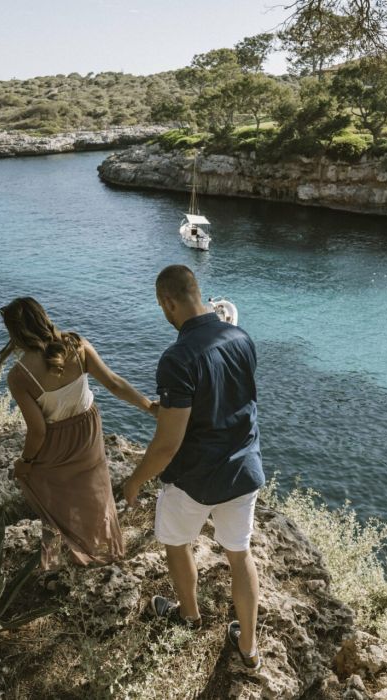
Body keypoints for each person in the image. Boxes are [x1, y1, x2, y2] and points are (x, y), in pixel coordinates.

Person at [122, 265, 265, 671]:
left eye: (162, 307)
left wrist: (134, 481)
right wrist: (171, 408)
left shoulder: (177, 357)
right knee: (240, 554)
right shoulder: (242, 337)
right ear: (196, 292)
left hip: (194, 479)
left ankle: (189, 615)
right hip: (243, 469)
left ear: (168, 302)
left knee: (176, 542)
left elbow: (168, 445)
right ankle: (249, 648)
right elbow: (229, 398)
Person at [0, 297, 152, 570]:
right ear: (43, 318)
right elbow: (115, 384)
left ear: (15, 332)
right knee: (96, 492)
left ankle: (57, 559)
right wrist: (149, 406)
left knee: (49, 496)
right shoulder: (76, 345)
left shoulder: (20, 375)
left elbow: (38, 431)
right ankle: (107, 551)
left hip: (55, 441)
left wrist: (26, 462)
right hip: (88, 430)